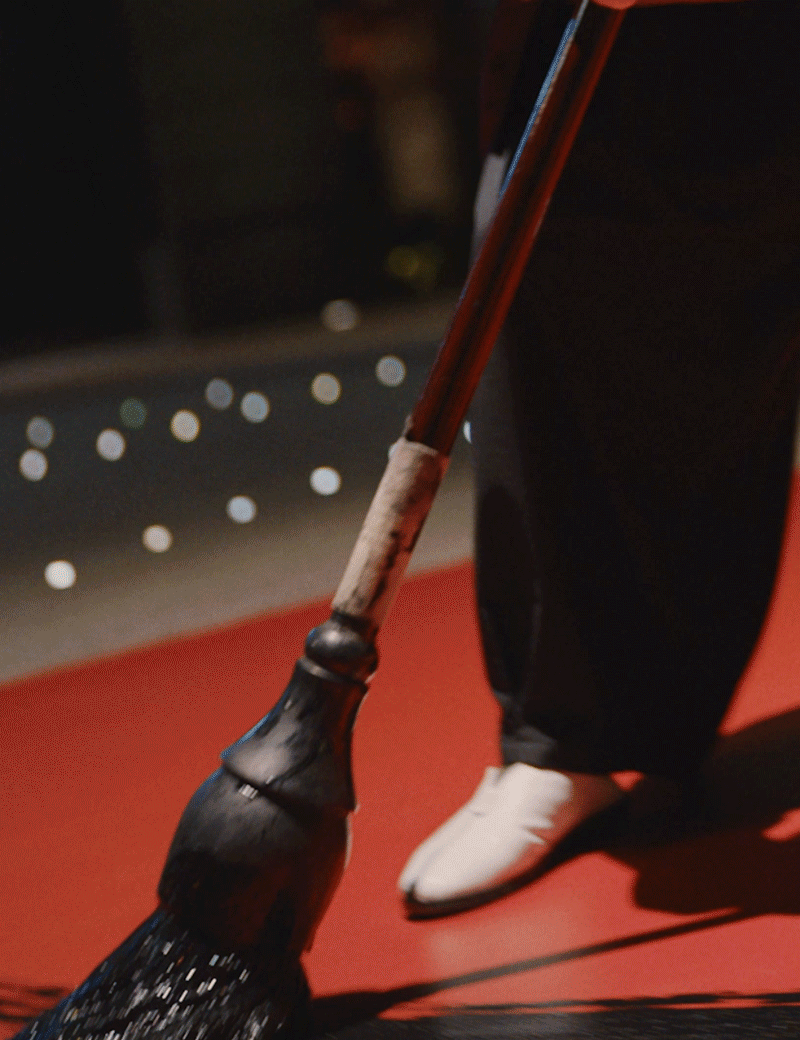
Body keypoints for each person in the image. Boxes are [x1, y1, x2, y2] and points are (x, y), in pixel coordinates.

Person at [398, 0, 800, 916]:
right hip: (593, 46)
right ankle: (562, 741)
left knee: (730, 337)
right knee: (534, 271)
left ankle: (602, 734)